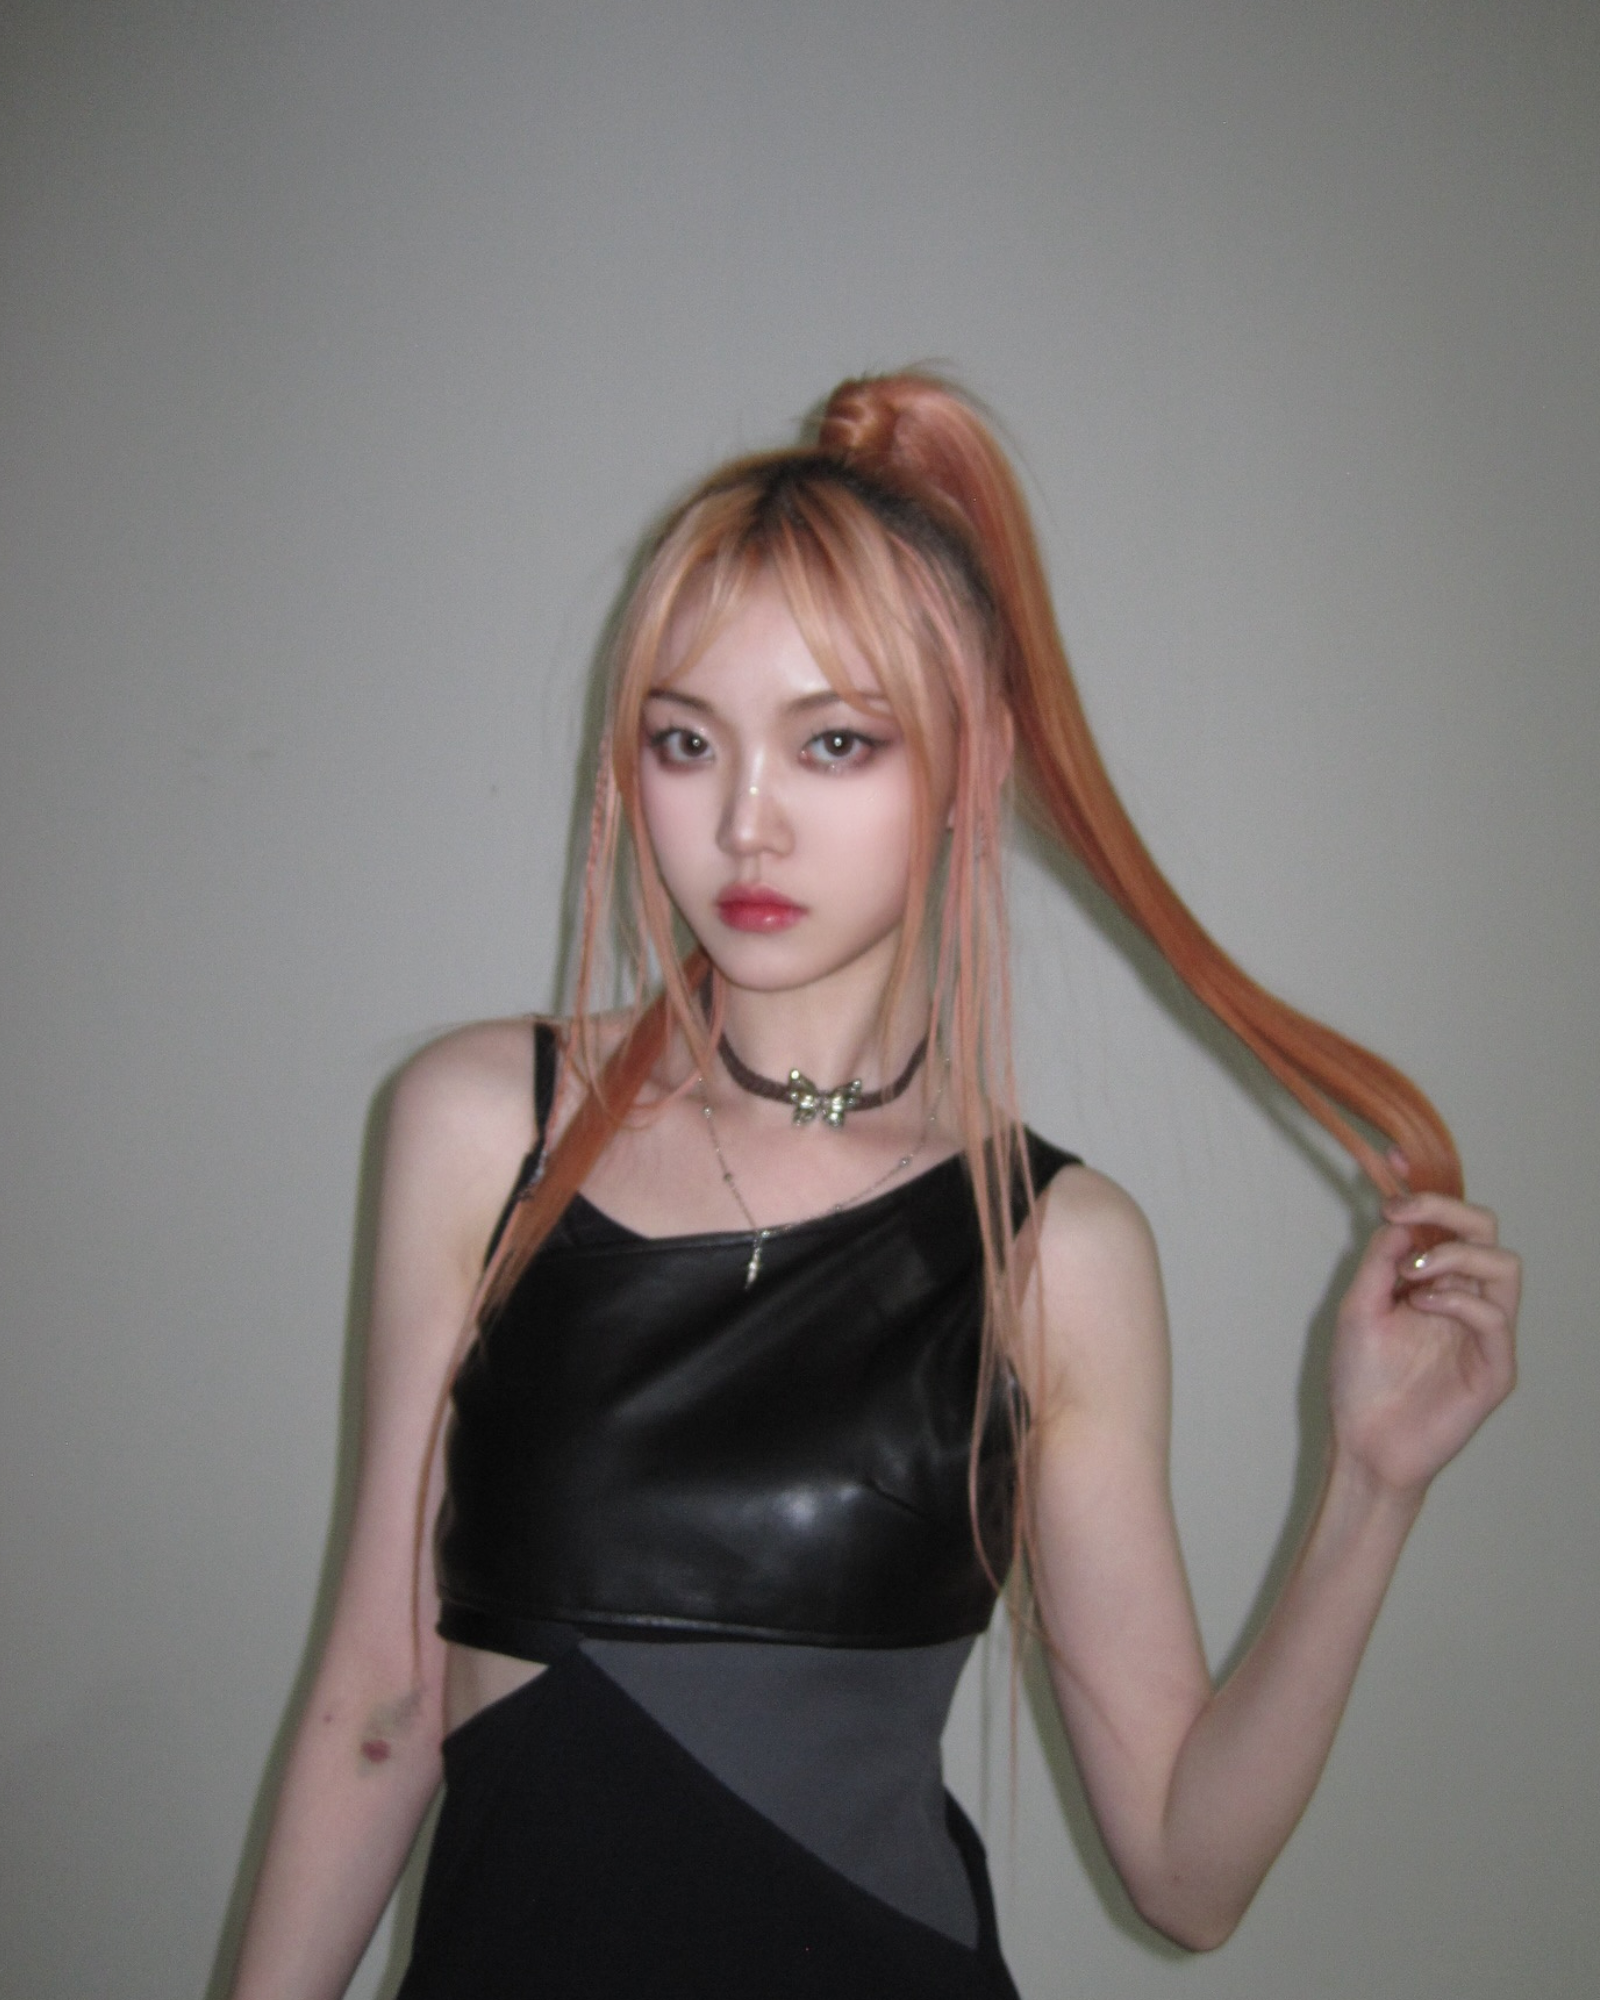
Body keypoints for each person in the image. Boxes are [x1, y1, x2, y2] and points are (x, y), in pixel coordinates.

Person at [225, 372, 1520, 2000]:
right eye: (686, 741)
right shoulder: (488, 1127)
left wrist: (1372, 1492)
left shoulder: (1054, 1250)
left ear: (971, 764)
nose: (745, 823)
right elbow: (377, 1707)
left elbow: (1186, 1876)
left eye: (833, 742)